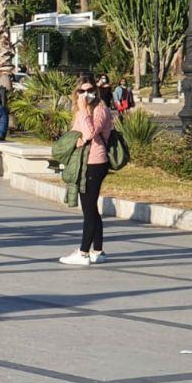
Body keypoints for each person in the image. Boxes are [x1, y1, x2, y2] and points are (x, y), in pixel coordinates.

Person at [60, 77, 114, 266]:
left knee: (89, 209)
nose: (85, 94)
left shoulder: (100, 109)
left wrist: (83, 110)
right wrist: (76, 140)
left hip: (95, 162)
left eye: (89, 90)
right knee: (91, 208)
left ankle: (83, 252)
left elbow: (91, 133)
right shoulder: (80, 111)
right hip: (83, 161)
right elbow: (76, 133)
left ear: (96, 91)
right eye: (81, 92)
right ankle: (98, 250)